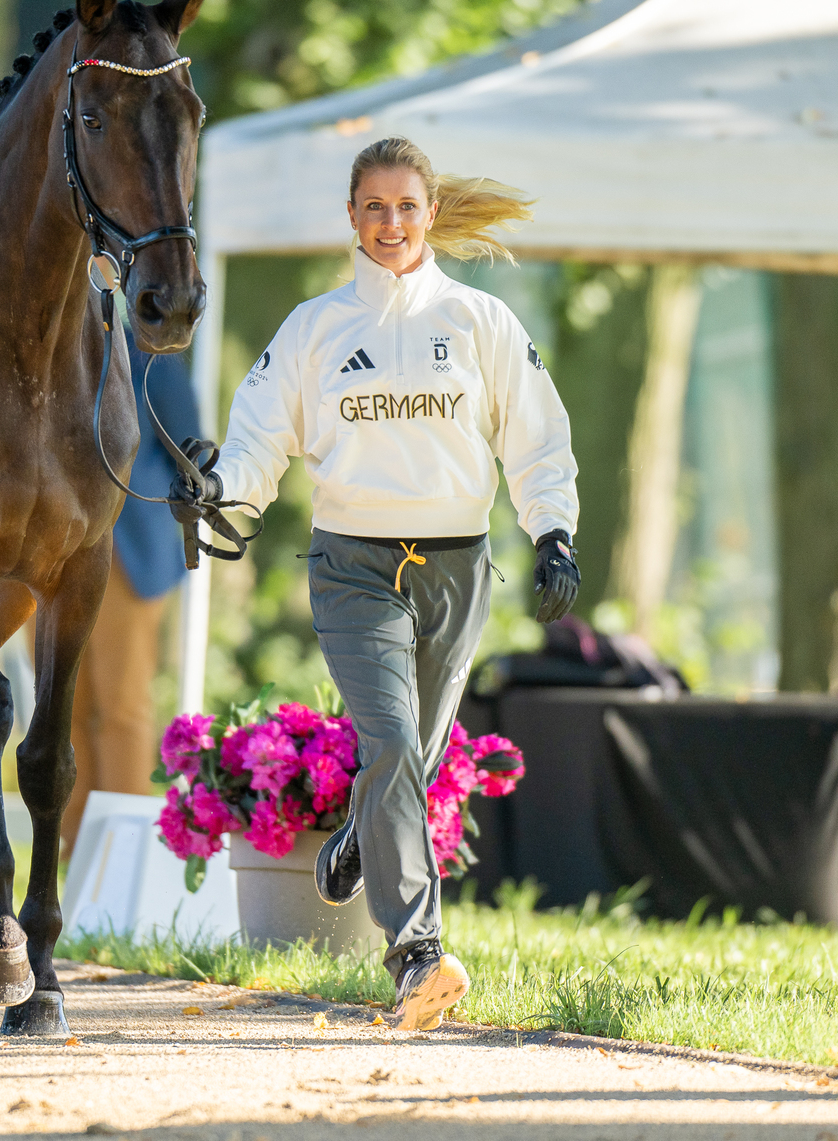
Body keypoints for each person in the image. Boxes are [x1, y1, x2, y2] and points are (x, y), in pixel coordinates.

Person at [171, 136, 580, 1031]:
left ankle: (365, 833)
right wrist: (221, 487)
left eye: (406, 206)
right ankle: (417, 952)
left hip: (458, 564)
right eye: (373, 207)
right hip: (352, 565)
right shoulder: (314, 329)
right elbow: (256, 440)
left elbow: (535, 436)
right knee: (393, 741)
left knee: (417, 756)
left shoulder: (481, 322)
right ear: (350, 216)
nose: (390, 223)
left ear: (430, 213)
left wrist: (552, 531)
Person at [59, 330, 202, 856]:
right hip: (51, 545)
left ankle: (124, 859)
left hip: (129, 545)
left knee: (120, 706)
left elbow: (190, 446)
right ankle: (73, 855)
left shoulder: (147, 345)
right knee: (62, 708)